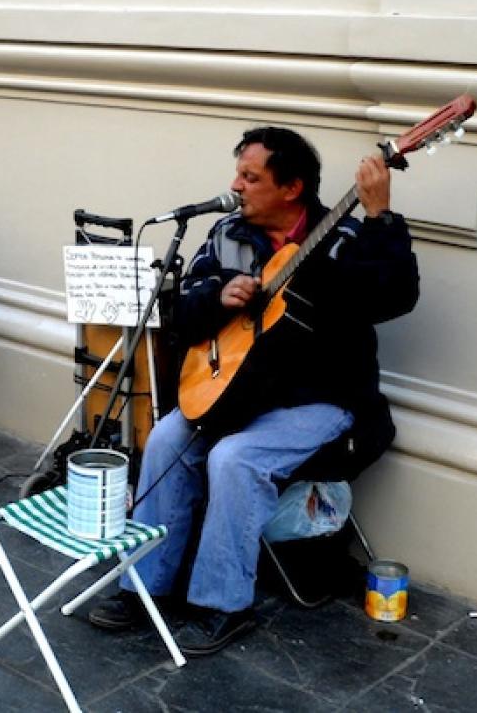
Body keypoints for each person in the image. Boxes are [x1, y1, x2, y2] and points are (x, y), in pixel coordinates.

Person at [87, 126, 419, 656]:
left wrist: (380, 216)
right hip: (235, 391)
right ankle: (143, 587)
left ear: (291, 189)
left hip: (321, 399)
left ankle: (224, 605)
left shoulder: (342, 241)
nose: (235, 185)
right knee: (169, 438)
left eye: (250, 176)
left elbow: (396, 296)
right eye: (238, 173)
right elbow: (179, 313)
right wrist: (219, 296)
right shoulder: (226, 235)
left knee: (235, 458)